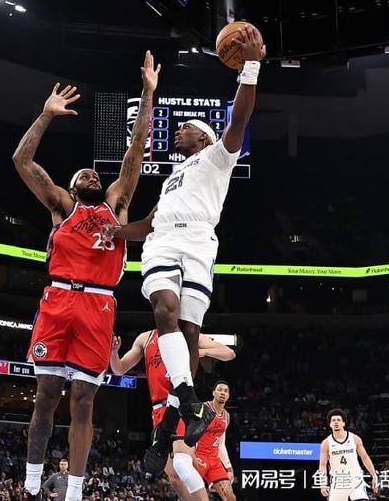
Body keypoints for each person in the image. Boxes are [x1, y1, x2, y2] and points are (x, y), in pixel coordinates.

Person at [103, 27, 266, 471]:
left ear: (204, 138)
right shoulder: (172, 179)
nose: (178, 131)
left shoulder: (217, 157)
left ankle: (168, 429)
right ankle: (192, 402)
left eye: (187, 128)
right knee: (164, 310)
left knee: (190, 334)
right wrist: (117, 232)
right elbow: (147, 223)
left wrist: (251, 67)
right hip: (164, 240)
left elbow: (240, 118)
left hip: (200, 242)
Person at [12, 51, 161, 501]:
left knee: (83, 402)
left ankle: (75, 491)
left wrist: (148, 94)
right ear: (73, 186)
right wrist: (45, 114)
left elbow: (135, 149)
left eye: (96, 173)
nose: (93, 175)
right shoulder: (61, 205)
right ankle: (32, 482)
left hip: (98, 303)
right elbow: (22, 160)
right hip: (59, 299)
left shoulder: (116, 204)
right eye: (85, 174)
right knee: (45, 396)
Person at [110, 332, 235, 501]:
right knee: (174, 477)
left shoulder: (188, 333)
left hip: (180, 404)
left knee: (182, 464)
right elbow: (118, 369)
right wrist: (113, 352)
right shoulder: (145, 339)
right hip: (159, 409)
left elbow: (229, 353)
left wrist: (201, 352)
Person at [186, 381, 236, 501]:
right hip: (198, 457)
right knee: (192, 497)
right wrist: (191, 456)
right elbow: (188, 435)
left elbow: (221, 444)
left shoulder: (226, 416)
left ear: (228, 396)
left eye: (226, 391)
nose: (222, 393)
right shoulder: (202, 409)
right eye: (220, 390)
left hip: (214, 460)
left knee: (230, 496)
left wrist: (228, 467)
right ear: (213, 393)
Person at [318, 409, 379, 501]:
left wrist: (374, 475)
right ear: (330, 424)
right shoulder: (326, 443)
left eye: (338, 420)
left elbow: (365, 457)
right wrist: (323, 484)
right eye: (333, 420)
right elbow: (322, 465)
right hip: (338, 481)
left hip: (355, 479)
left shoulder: (354, 438)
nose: (336, 422)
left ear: (343, 423)